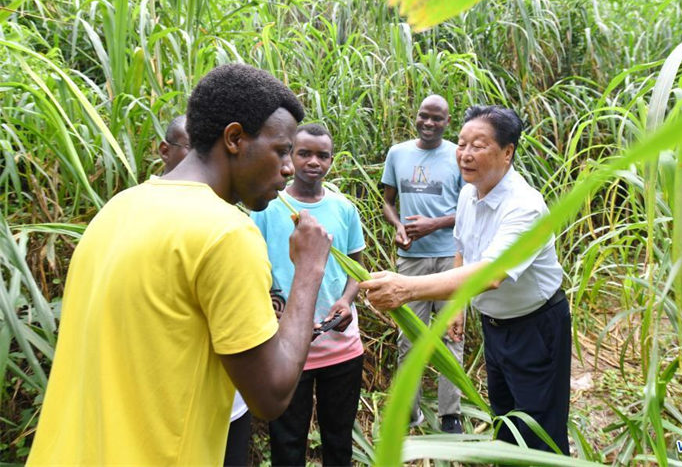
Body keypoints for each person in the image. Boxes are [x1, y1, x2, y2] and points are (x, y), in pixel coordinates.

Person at [27, 63, 332, 466]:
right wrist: (309, 270)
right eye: (281, 150)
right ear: (235, 139)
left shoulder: (118, 209)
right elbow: (271, 396)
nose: (289, 168)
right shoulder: (226, 234)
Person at [361, 105, 571, 454]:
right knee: (505, 418)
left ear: (507, 152)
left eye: (478, 145)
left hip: (536, 328)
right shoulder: (468, 194)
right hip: (495, 325)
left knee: (540, 426)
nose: (465, 154)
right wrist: (457, 305)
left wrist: (406, 288)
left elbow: (491, 274)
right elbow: (462, 246)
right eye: (461, 144)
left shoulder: (525, 206)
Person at [251, 123, 365, 466]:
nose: (314, 162)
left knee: (339, 440)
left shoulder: (344, 209)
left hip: (341, 347)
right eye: (304, 153)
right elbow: (252, 268)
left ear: (331, 160)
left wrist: (346, 301)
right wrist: (273, 306)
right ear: (290, 156)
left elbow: (357, 269)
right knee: (286, 443)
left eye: (322, 155)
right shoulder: (267, 208)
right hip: (285, 348)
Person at [380, 94, 465, 433]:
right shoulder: (398, 153)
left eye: (437, 118)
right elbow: (387, 202)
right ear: (416, 116)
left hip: (450, 259)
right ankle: (408, 411)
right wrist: (398, 226)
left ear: (447, 122)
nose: (429, 123)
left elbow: (470, 209)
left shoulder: (458, 155)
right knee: (409, 339)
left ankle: (450, 414)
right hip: (411, 261)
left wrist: (435, 224)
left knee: (452, 335)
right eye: (423, 116)